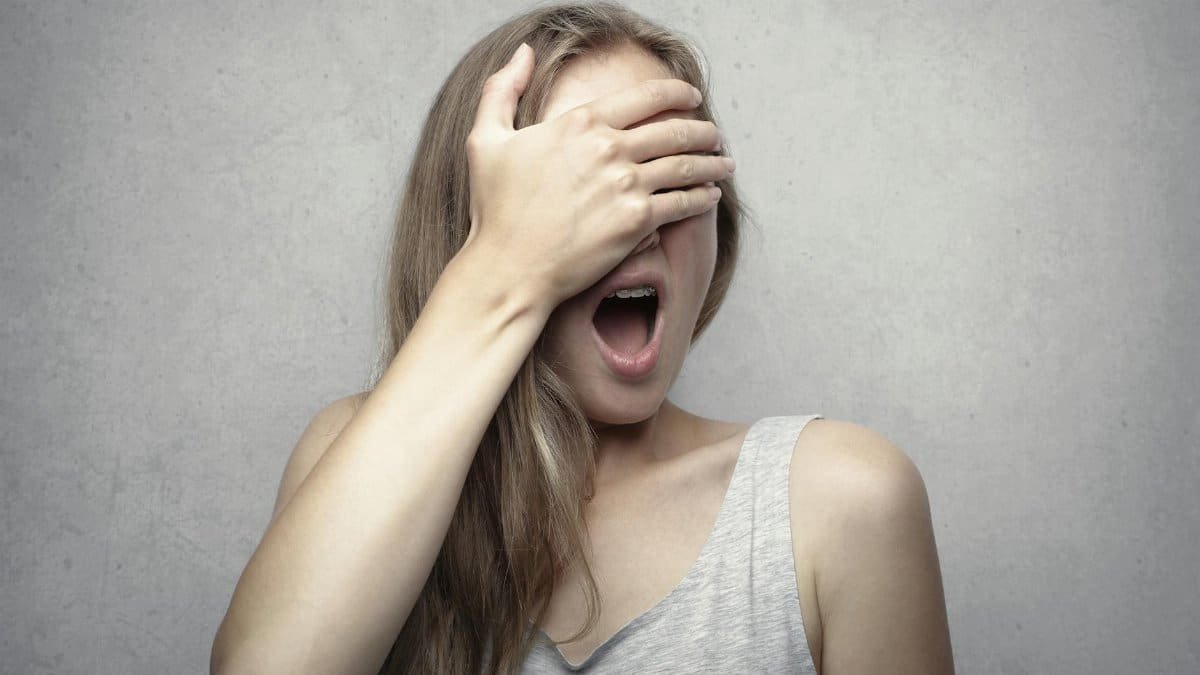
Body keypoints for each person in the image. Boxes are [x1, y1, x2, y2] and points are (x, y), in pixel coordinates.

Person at [210, 3, 954, 674]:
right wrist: (501, 271)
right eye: (581, 184)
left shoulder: (840, 502)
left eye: (665, 172)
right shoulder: (349, 452)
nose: (633, 216)